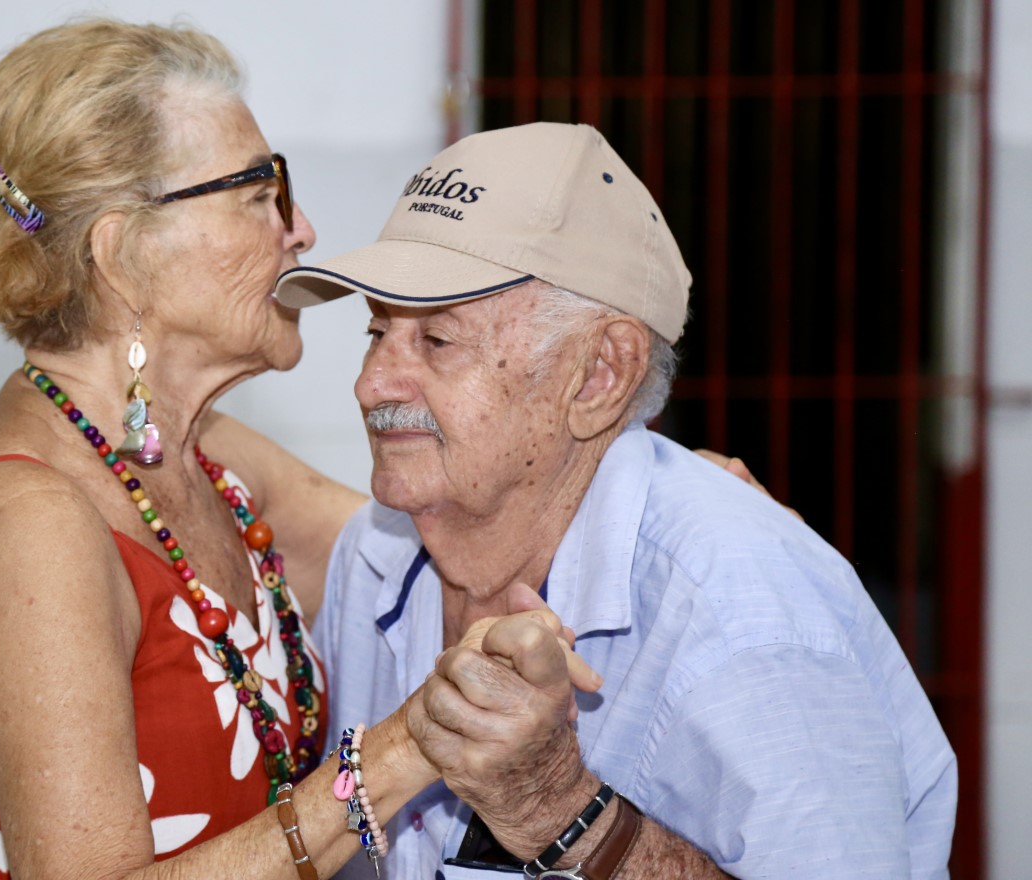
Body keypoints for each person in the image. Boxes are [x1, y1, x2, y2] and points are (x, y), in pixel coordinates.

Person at [278, 122, 958, 878]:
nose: (371, 385)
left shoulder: (746, 614)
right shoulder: (377, 552)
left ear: (600, 375)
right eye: (376, 332)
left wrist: (562, 812)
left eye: (438, 341)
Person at [0, 19, 448, 878]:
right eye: (261, 193)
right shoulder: (31, 524)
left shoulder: (203, 458)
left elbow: (430, 555)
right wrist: (401, 756)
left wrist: (625, 483)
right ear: (121, 254)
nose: (302, 230)